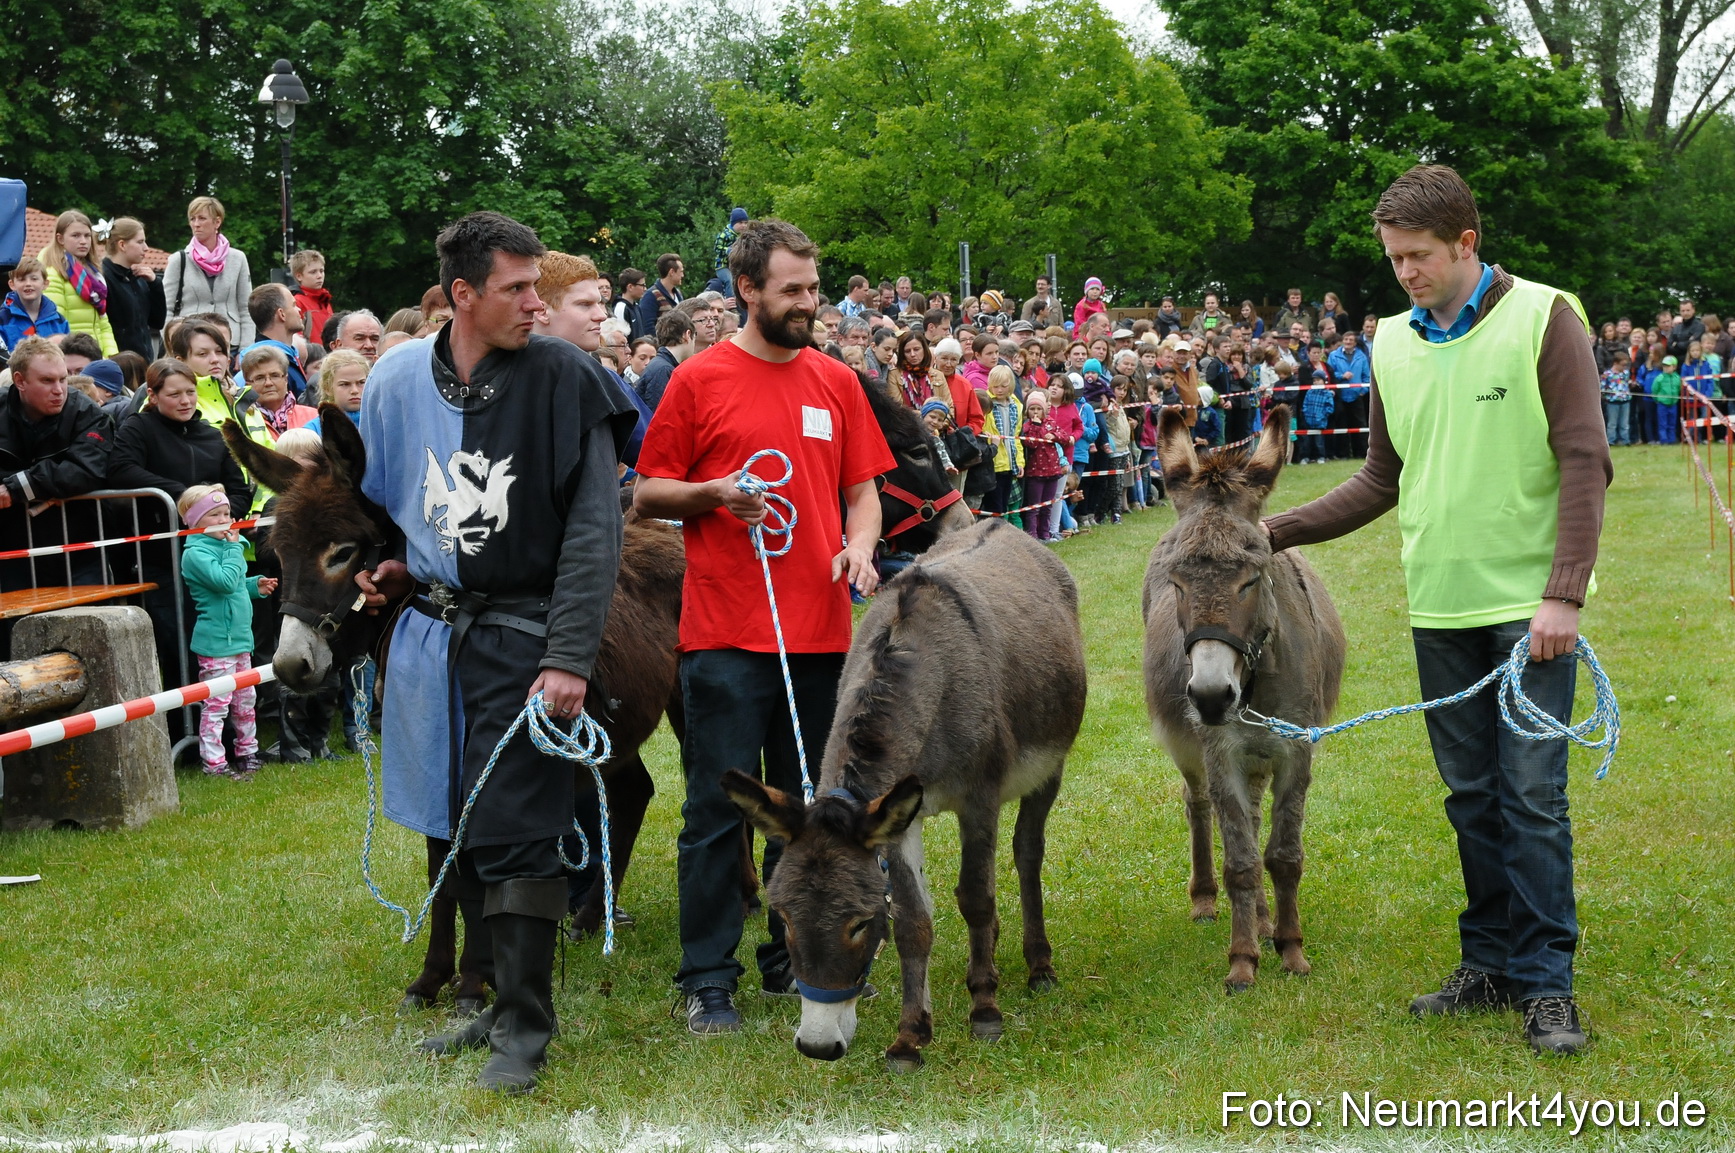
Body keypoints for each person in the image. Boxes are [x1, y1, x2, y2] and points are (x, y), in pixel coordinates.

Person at [1262, 165, 1609, 1055]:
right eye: (1392, 260)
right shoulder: (1391, 342)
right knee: (1471, 798)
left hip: (1529, 614)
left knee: (1531, 798)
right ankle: (1487, 962)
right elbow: (1383, 476)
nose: (1404, 273)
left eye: (1417, 256)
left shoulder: (1545, 317)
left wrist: (1562, 592)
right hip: (1440, 609)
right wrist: (1267, 532)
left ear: (1466, 244)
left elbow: (1583, 460)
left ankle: (1545, 985)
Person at [353, 211, 637, 1094]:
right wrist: (392, 564)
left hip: (525, 634)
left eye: (535, 286)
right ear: (463, 294)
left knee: (518, 834)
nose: (534, 303)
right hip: (435, 635)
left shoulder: (565, 375)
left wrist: (569, 657)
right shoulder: (397, 379)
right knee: (462, 826)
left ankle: (525, 1028)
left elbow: (594, 535)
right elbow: (385, 498)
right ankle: (493, 997)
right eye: (515, 289)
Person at [632, 218, 892, 1035]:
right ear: (748, 289)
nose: (809, 304)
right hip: (724, 637)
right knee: (719, 812)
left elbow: (863, 489)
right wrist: (713, 494)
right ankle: (708, 976)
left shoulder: (835, 382)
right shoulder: (698, 380)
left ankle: (789, 958)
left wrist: (858, 546)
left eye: (813, 289)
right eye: (793, 290)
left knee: (814, 809)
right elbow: (647, 491)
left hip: (821, 635)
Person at [179, 483, 277, 778]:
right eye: (216, 515)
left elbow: (232, 587)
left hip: (240, 642)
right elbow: (222, 582)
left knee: (245, 702)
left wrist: (253, 586)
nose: (225, 520)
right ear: (196, 522)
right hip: (216, 644)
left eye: (227, 513)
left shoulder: (225, 548)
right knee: (217, 705)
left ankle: (247, 752)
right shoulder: (196, 554)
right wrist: (235, 548)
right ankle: (215, 763)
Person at [0, 337, 114, 588]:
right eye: (47, 381)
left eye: (62, 379)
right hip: (11, 551)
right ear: (20, 381)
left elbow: (86, 470)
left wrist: (17, 486)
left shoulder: (85, 411)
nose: (59, 389)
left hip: (78, 551)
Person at [164, 197, 254, 345]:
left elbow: (246, 308)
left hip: (230, 342)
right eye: (192, 219)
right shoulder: (178, 260)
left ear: (217, 222)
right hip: (190, 342)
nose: (196, 224)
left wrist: (245, 348)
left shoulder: (238, 259)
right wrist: (171, 344)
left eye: (202, 218)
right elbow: (166, 309)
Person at [40, 210, 119, 358]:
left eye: (87, 235)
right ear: (60, 239)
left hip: (95, 354)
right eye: (75, 236)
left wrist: (111, 356)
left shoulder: (94, 274)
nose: (83, 241)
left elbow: (103, 324)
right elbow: (56, 323)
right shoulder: (53, 272)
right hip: (72, 358)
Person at [101, 217, 166, 360]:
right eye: (140, 242)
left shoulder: (139, 278)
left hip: (143, 362)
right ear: (122, 245)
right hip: (118, 362)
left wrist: (155, 284)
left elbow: (157, 322)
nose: (146, 248)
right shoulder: (103, 278)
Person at [241, 284, 310, 397]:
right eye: (294, 305)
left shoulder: (289, 358)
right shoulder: (271, 365)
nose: (299, 309)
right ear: (281, 314)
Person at [1019, 387, 1068, 541]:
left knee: (1047, 506)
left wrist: (1054, 435)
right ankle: (1033, 535)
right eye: (1032, 409)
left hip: (1052, 471)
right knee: (1034, 507)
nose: (1035, 412)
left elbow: (1065, 437)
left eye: (1038, 409)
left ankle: (1045, 534)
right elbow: (1031, 443)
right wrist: (1035, 426)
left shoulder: (1051, 423)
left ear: (1044, 410)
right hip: (1035, 472)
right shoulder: (1027, 426)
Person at [240, 345, 318, 438]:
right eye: (260, 378)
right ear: (248, 384)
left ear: (286, 379)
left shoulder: (313, 416)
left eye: (275, 375)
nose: (268, 383)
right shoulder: (241, 422)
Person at [633, 310, 697, 412]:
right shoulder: (663, 370)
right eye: (694, 339)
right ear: (687, 335)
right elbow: (660, 415)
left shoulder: (662, 365)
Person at [1, 258, 70, 351]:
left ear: (45, 283)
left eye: (34, 279)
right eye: (22, 280)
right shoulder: (3, 318)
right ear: (12, 284)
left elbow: (67, 354)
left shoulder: (58, 320)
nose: (28, 284)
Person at [1326, 328, 1372, 458]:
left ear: (1355, 343)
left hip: (1356, 396)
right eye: (1346, 339)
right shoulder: (1334, 356)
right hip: (1340, 396)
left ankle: (1361, 453)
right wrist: (1342, 376)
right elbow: (1330, 374)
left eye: (1351, 340)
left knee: (1360, 426)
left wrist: (1363, 391)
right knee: (1342, 426)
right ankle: (1343, 454)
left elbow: (1366, 376)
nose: (1348, 342)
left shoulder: (1361, 356)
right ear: (1342, 341)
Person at [302, 350, 369, 435]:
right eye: (345, 384)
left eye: (361, 382)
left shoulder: (379, 422)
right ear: (328, 388)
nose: (354, 390)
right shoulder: (313, 430)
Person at [637, 253, 685, 337]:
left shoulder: (678, 294)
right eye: (681, 271)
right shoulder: (650, 295)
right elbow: (647, 327)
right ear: (672, 272)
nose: (682, 275)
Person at [291, 250, 334, 344]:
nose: (319, 276)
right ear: (299, 276)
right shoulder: (297, 301)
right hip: (310, 355)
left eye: (321, 271)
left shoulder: (325, 300)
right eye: (313, 272)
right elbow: (295, 336)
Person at [1600, 348, 1632, 446]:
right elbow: (1602, 387)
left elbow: (1626, 384)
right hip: (1612, 402)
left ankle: (1625, 440)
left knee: (1624, 423)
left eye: (1626, 365)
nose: (1624, 367)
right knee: (1612, 423)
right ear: (1615, 363)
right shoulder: (1607, 374)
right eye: (1622, 365)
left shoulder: (1625, 373)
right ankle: (1611, 440)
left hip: (1625, 400)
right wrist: (1607, 395)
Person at [1653, 355, 1682, 443]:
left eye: (1668, 366)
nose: (1666, 368)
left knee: (1672, 423)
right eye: (1664, 366)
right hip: (1662, 404)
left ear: (1674, 367)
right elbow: (1654, 389)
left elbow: (1679, 389)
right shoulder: (1659, 378)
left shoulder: (1677, 378)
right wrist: (1658, 399)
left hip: (1673, 404)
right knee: (1663, 423)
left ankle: (1672, 439)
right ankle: (1664, 440)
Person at [612, 269, 647, 338]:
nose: (645, 289)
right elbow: (620, 337)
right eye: (642, 285)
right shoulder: (621, 308)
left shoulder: (636, 306)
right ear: (630, 287)